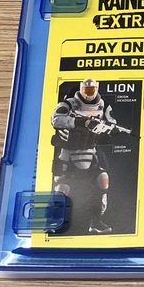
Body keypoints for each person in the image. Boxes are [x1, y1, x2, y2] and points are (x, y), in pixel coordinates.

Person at [50, 78, 117, 234]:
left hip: (90, 150)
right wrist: (80, 122)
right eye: (87, 89)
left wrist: (108, 127)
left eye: (92, 89)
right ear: (81, 89)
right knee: (62, 186)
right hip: (68, 151)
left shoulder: (103, 105)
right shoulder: (68, 104)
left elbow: (112, 122)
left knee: (102, 179)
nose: (89, 92)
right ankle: (55, 220)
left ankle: (96, 221)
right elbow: (56, 120)